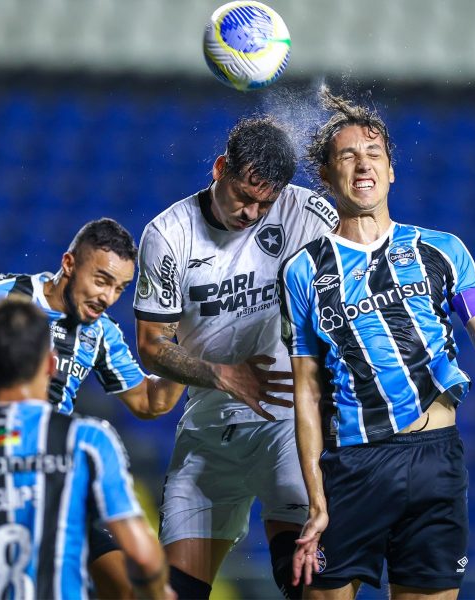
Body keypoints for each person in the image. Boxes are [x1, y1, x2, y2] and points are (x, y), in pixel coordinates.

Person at [278, 88, 475, 600]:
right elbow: (306, 394)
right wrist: (315, 500)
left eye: (374, 153)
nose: (363, 164)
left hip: (436, 461)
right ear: (328, 175)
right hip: (355, 467)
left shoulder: (443, 250)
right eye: (347, 156)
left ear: (391, 171)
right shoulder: (304, 270)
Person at [134, 116, 338, 599]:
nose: (250, 212)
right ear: (220, 168)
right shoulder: (168, 234)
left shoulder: (305, 212)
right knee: (175, 591)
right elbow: (152, 344)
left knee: (308, 577)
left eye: (263, 204)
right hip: (209, 434)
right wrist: (224, 375)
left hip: (287, 427)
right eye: (243, 196)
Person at [0, 217, 185, 598]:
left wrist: (194, 350)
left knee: (127, 588)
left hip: (49, 475)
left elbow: (151, 402)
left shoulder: (99, 332)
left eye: (120, 288)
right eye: (102, 280)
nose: (108, 297)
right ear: (69, 263)